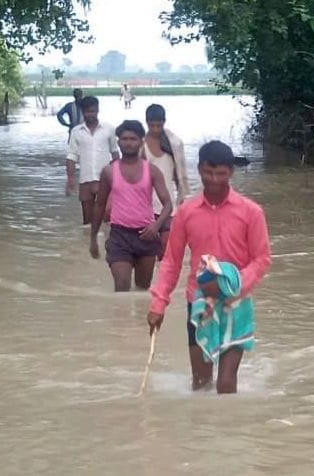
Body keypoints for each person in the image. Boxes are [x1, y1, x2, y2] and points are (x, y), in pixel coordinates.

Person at [147, 140, 271, 394]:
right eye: (208, 172)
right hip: (199, 303)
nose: (214, 180)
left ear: (231, 173)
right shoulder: (185, 212)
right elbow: (171, 260)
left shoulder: (251, 212)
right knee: (201, 384)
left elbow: (261, 259)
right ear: (199, 168)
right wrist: (159, 304)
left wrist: (232, 285)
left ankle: (228, 431)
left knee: (226, 384)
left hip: (236, 303)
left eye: (221, 174)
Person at [89, 120, 173, 292]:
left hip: (146, 236)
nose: (128, 143)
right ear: (118, 142)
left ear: (141, 142)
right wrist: (93, 238)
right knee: (121, 288)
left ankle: (137, 320)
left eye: (133, 139)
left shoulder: (152, 171)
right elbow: (99, 205)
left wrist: (156, 226)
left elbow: (168, 205)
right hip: (120, 236)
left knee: (142, 289)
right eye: (124, 139)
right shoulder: (109, 172)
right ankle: (120, 319)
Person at [143, 104, 189, 258]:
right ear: (146, 123)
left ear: (164, 122)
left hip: (168, 206)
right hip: (146, 206)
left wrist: (180, 199)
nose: (156, 129)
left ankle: (162, 281)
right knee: (147, 252)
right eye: (152, 125)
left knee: (165, 251)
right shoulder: (141, 146)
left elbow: (179, 174)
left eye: (159, 125)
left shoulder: (174, 144)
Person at [66, 96, 119, 221]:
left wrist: (117, 177)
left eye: (93, 111)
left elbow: (115, 153)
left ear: (98, 110)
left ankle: (105, 239)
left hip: (105, 181)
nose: (91, 114)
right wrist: (70, 179)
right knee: (87, 220)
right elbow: (71, 156)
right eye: (87, 112)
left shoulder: (109, 129)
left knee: (107, 218)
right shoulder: (76, 131)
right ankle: (88, 240)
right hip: (85, 180)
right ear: (83, 112)